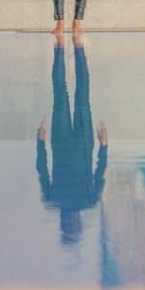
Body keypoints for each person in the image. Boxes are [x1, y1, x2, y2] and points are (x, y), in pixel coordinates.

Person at [35, 40, 108, 248]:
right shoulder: (53, 199)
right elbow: (41, 168)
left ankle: (76, 46)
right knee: (64, 94)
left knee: (78, 95)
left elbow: (100, 171)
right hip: (66, 140)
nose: (74, 221)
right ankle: (62, 46)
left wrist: (104, 147)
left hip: (78, 141)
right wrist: (40, 143)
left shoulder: (88, 200)